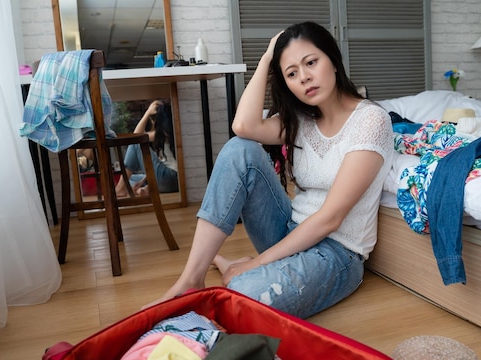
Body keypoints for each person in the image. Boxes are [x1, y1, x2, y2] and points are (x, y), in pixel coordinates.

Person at [143, 21, 394, 318]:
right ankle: (190, 280)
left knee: (240, 295)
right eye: (291, 73)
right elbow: (244, 127)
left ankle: (242, 268)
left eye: (311, 62)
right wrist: (265, 60)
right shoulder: (301, 119)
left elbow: (330, 218)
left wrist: (256, 264)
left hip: (335, 253)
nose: (304, 78)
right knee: (240, 149)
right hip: (288, 231)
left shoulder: (371, 121)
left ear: (334, 61)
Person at [115, 100, 178, 197]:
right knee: (134, 179)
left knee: (136, 145)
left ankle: (121, 188)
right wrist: (143, 180)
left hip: (169, 178)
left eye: (152, 118)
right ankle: (144, 189)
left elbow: (135, 138)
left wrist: (147, 113)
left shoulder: (162, 133)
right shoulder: (165, 134)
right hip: (172, 181)